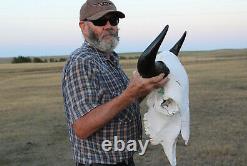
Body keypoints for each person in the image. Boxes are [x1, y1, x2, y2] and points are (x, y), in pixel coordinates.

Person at [61, 0, 168, 165]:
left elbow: (122, 103)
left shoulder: (110, 58)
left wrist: (144, 88)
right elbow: (82, 127)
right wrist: (130, 93)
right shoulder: (81, 61)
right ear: (83, 26)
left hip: (124, 159)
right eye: (100, 21)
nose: (109, 26)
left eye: (114, 20)